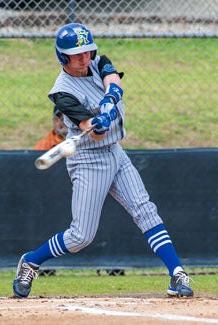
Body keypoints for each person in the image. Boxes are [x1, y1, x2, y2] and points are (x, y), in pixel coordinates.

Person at [12, 23, 194, 298]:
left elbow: (113, 80)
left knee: (145, 210)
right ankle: (31, 261)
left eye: (87, 51)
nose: (85, 58)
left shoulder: (98, 62)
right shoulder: (62, 92)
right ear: (63, 58)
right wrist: (98, 124)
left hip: (116, 153)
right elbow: (94, 134)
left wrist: (110, 100)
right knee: (81, 236)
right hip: (88, 159)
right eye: (77, 54)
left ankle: (177, 273)